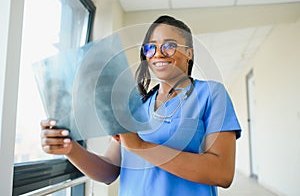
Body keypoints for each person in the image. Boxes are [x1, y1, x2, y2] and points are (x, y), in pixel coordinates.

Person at [41, 15, 241, 196]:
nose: (158, 54)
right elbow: (110, 170)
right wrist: (69, 149)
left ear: (189, 53)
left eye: (169, 46)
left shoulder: (212, 94)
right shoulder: (134, 106)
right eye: (150, 47)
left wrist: (141, 146)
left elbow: (221, 172)